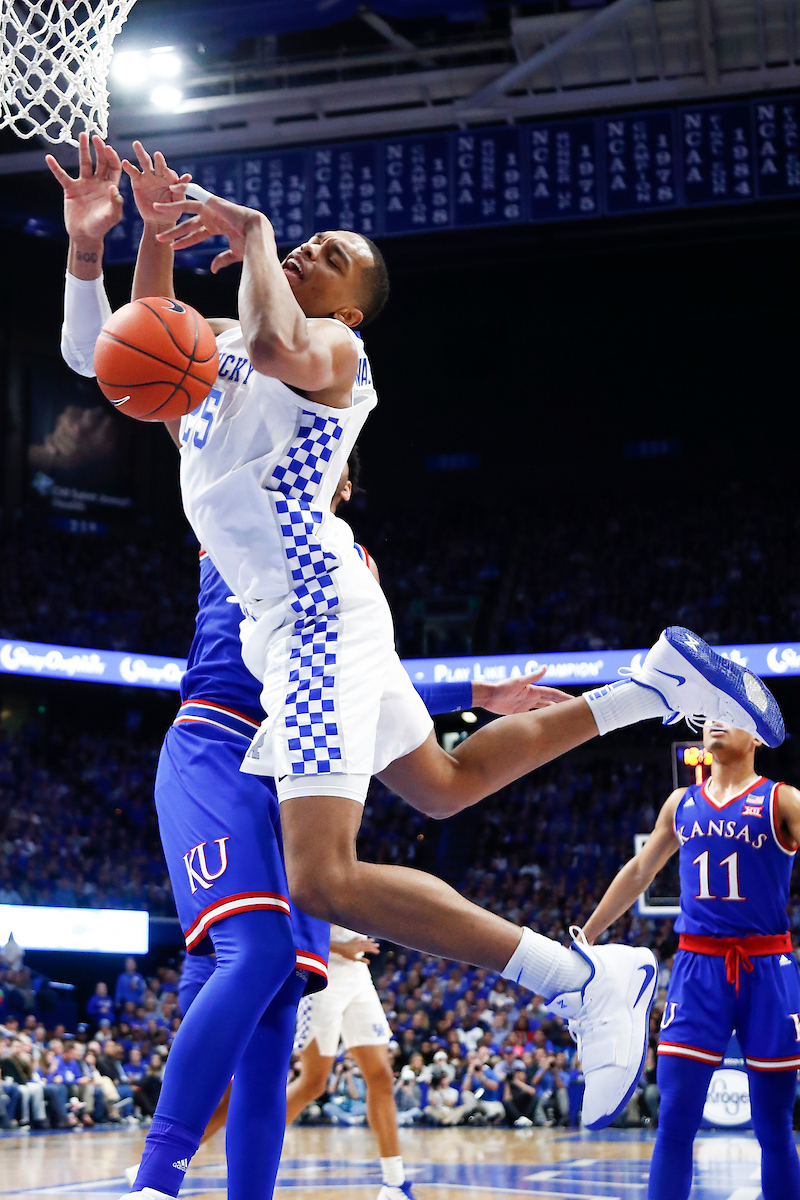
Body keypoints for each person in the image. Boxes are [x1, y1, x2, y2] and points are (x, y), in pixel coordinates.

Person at [50, 135, 782, 1196]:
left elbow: (271, 337)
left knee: (322, 876)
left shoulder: (339, 361)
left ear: (351, 306)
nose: (308, 245)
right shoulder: (208, 370)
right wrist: (117, 245)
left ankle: (574, 976)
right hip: (315, 619)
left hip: (309, 623)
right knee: (441, 787)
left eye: (329, 250)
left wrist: (251, 234)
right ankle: (654, 687)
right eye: (300, 239)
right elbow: (109, 352)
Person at [580, 718, 800, 1200]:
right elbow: (640, 869)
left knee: (774, 1126)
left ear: (759, 735)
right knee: (675, 1121)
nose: (716, 721)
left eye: (733, 713)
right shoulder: (681, 803)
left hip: (768, 968)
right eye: (711, 713)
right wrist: (588, 933)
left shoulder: (784, 799)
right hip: (697, 968)